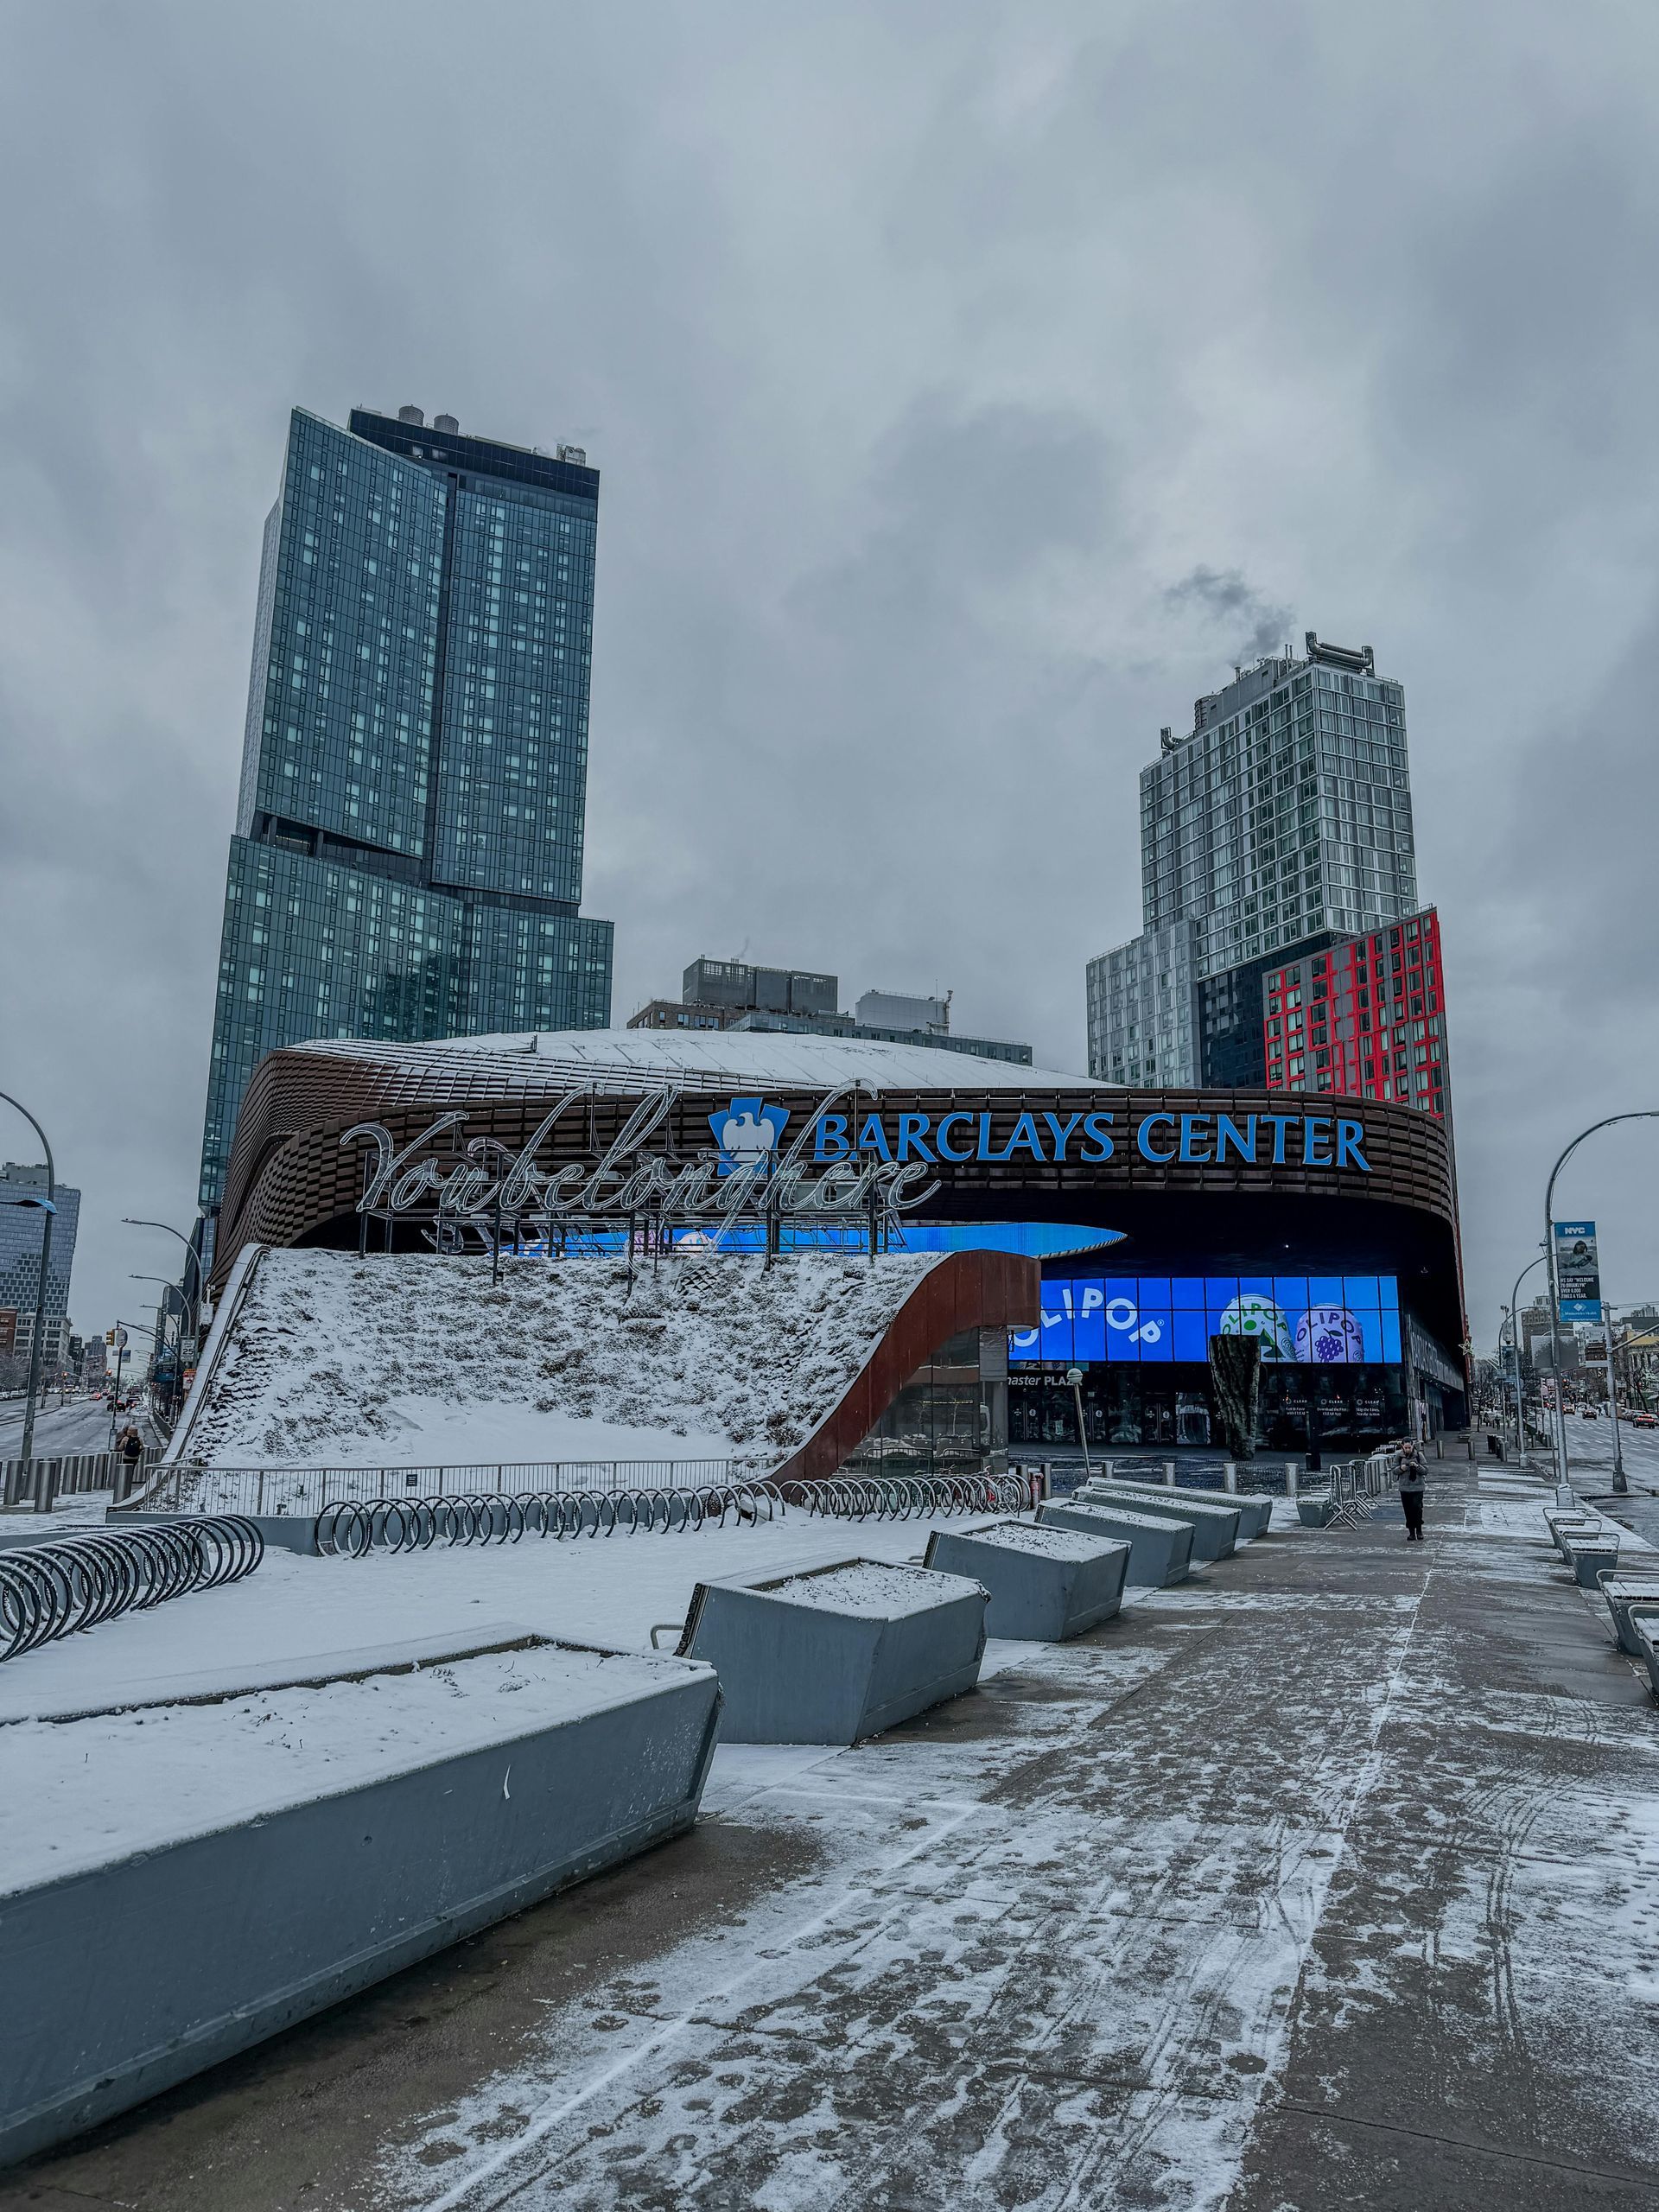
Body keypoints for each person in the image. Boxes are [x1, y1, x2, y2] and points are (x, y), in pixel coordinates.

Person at [1397, 1437, 1427, 1542]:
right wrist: (1402, 1468)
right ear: (1402, 1447)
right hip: (1404, 1488)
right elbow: (1394, 1470)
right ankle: (1411, 1533)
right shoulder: (1399, 1456)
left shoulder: (1419, 1456)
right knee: (1408, 1510)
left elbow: (1425, 1470)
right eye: (1406, 1448)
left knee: (1417, 1508)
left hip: (1418, 1487)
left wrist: (1417, 1466)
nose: (1408, 1449)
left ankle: (1419, 1531)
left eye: (1409, 1447)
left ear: (1413, 1446)